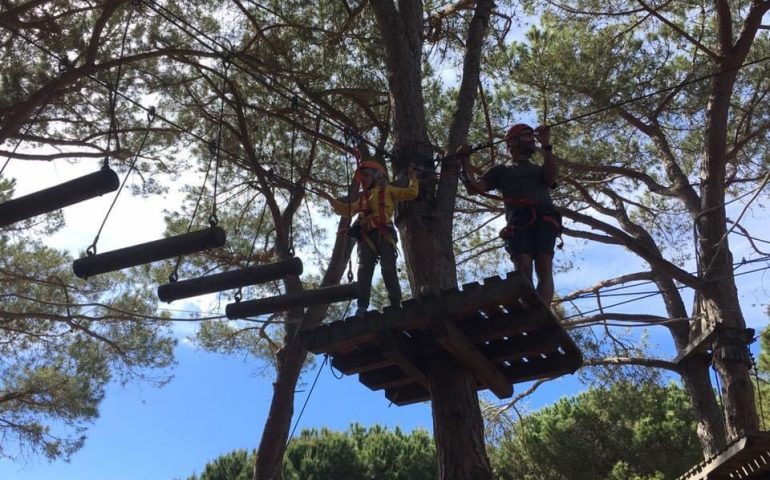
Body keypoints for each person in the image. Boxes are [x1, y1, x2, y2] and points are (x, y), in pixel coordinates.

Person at [458, 123, 560, 304]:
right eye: (527, 136)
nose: (531, 140)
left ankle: (542, 310)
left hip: (544, 216)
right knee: (523, 266)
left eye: (532, 136)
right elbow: (474, 189)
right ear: (512, 142)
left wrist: (546, 145)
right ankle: (530, 307)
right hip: (518, 220)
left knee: (544, 265)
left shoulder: (539, 169)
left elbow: (551, 178)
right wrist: (464, 162)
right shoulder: (501, 170)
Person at [327, 161, 419, 317]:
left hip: (385, 233)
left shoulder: (387, 190)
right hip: (366, 236)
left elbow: (411, 194)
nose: (364, 180)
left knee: (388, 268)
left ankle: (395, 302)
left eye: (366, 176)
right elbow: (347, 211)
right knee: (364, 271)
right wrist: (331, 200)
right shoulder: (363, 199)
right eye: (362, 178)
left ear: (376, 176)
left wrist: (413, 179)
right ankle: (362, 307)